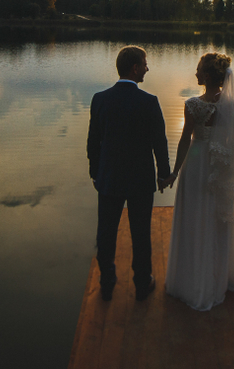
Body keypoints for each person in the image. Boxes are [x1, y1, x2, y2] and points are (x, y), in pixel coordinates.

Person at [162, 52, 234, 311]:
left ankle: (193, 281)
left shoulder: (193, 105)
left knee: (194, 220)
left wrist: (174, 172)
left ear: (208, 76)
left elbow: (184, 141)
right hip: (220, 168)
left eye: (199, 69)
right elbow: (233, 142)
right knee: (218, 221)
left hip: (197, 166)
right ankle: (219, 279)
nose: (196, 73)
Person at [87, 45, 171, 302]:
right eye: (145, 63)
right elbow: (160, 143)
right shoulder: (149, 102)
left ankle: (107, 282)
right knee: (141, 234)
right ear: (135, 68)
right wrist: (163, 175)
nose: (148, 67)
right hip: (140, 181)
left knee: (106, 232)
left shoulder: (100, 99)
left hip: (109, 178)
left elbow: (93, 142)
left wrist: (96, 173)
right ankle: (142, 284)